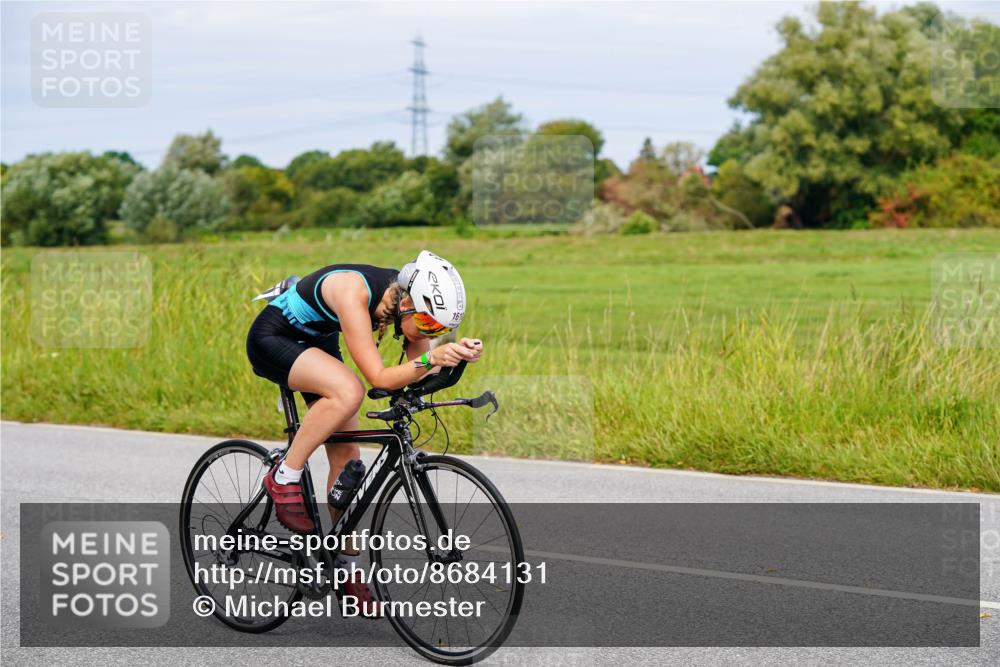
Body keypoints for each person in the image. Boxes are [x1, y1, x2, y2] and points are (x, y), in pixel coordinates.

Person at [245, 250, 483, 616]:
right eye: (427, 324)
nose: (428, 334)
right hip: (273, 337)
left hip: (317, 342)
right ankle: (284, 475)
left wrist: (455, 357)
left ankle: (345, 568)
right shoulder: (354, 292)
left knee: (347, 461)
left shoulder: (408, 308)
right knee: (349, 391)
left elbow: (416, 371)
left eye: (437, 330)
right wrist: (431, 358)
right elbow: (379, 379)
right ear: (407, 303)